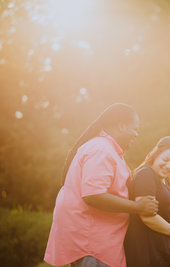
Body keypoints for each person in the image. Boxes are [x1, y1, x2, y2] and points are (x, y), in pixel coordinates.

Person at [44, 103, 159, 267]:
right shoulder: (101, 149)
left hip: (98, 245)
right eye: (135, 128)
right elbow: (93, 195)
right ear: (121, 126)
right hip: (92, 246)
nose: (136, 134)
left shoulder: (109, 150)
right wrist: (138, 207)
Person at [124, 136, 170, 267]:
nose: (169, 166)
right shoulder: (146, 175)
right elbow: (147, 216)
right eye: (165, 160)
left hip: (159, 248)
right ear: (155, 155)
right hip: (145, 250)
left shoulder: (164, 181)